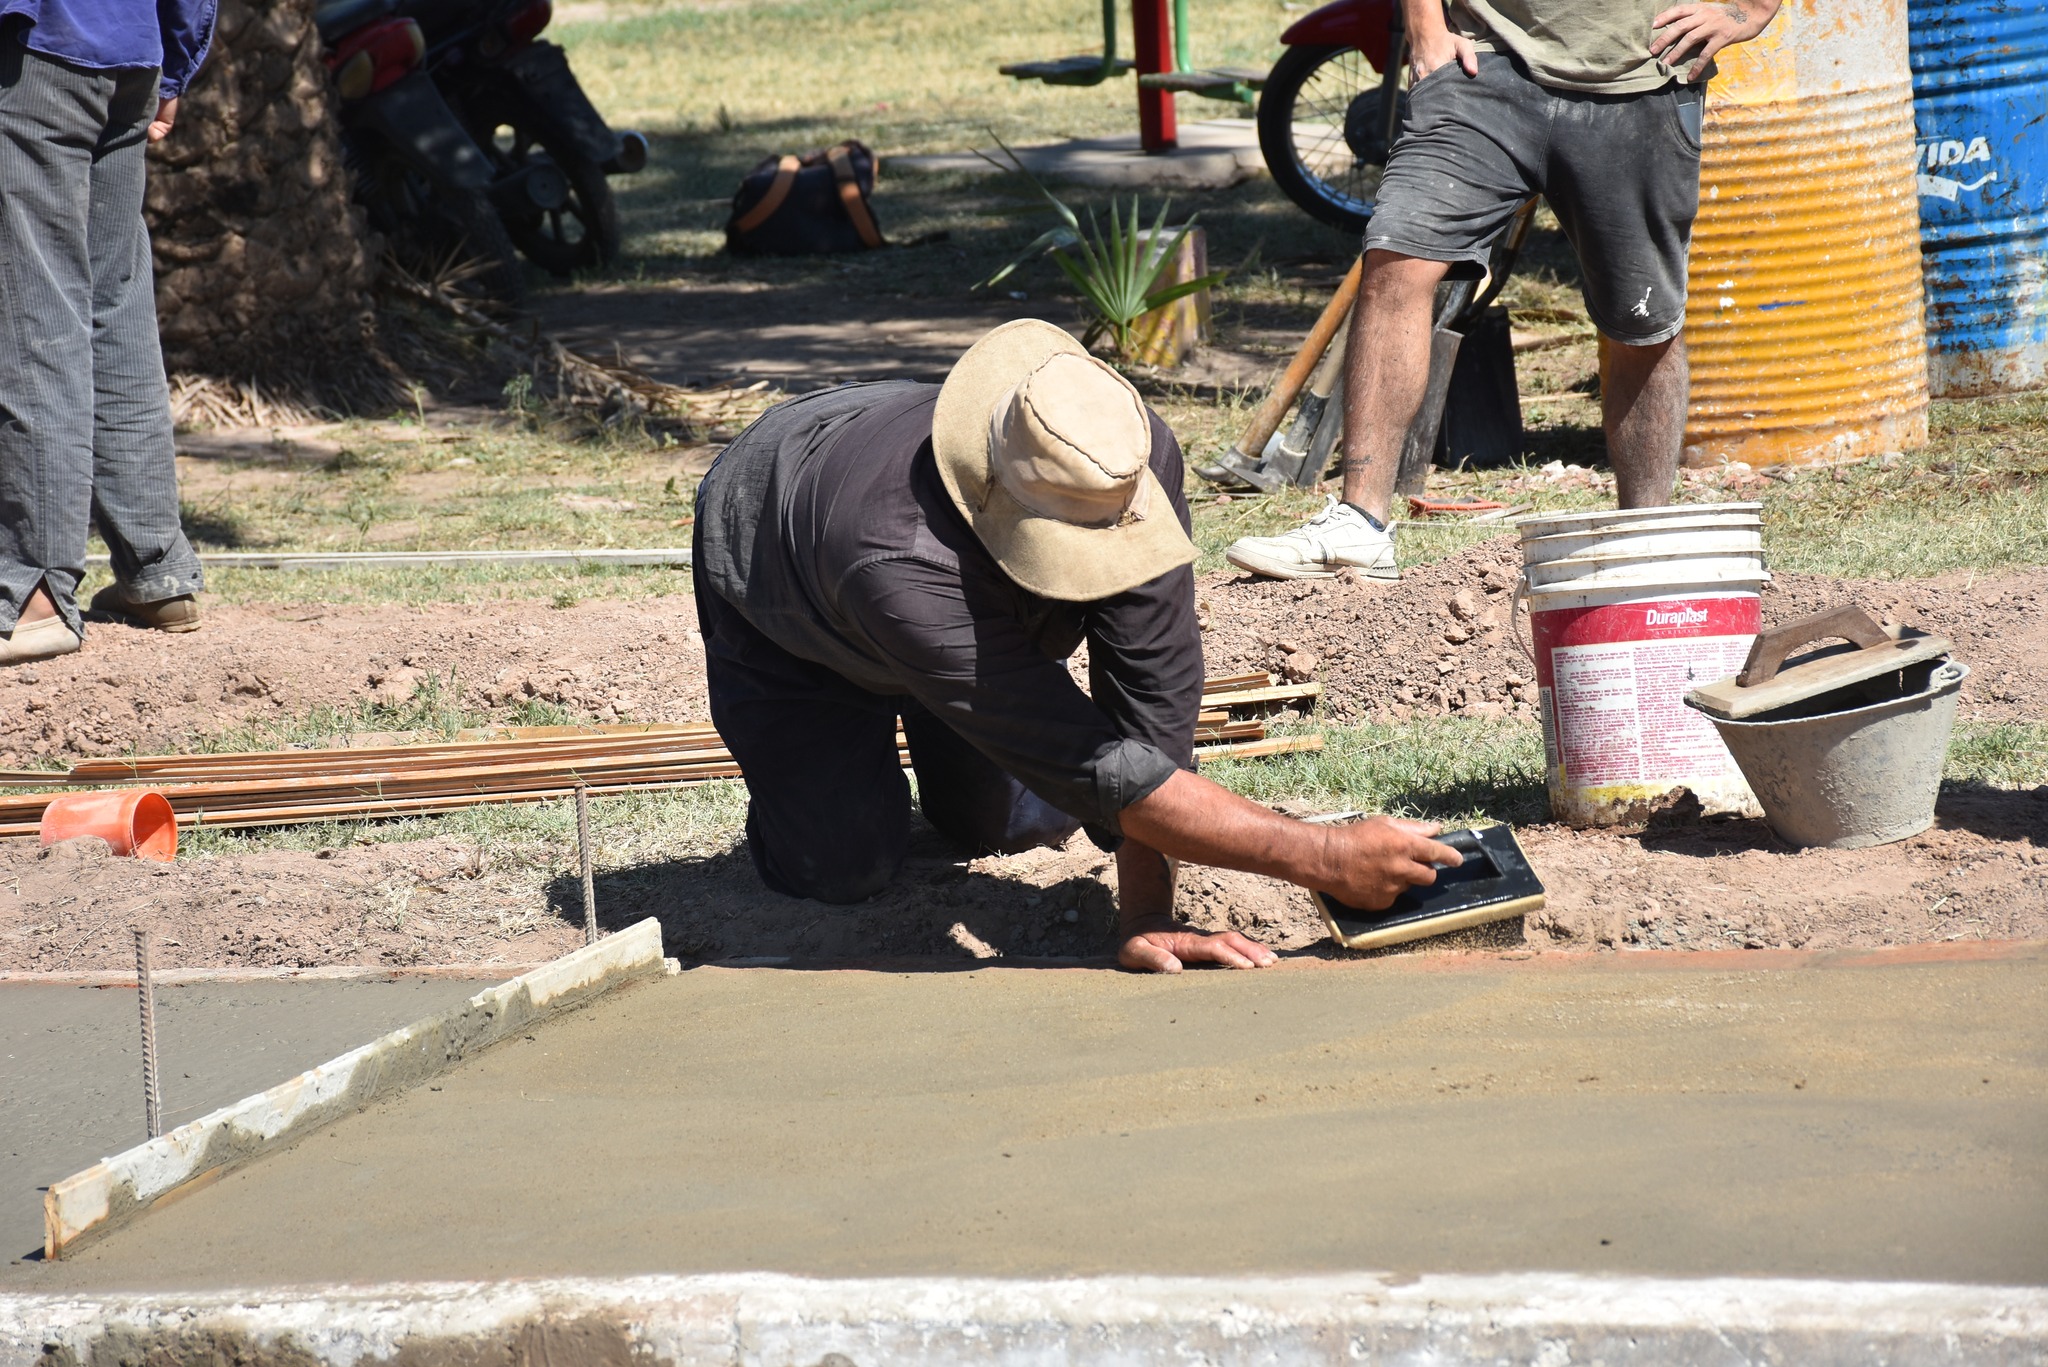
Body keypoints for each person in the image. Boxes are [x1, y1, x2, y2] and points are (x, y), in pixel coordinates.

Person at [694, 319, 1461, 973]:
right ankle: (816, 779)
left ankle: (946, 712)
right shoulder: (892, 554)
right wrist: (1322, 859)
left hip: (936, 597)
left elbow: (1152, 698)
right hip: (783, 582)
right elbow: (1092, 763)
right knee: (846, 864)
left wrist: (1145, 912)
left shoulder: (1117, 457)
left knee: (1018, 825)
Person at [1225, 0, 1781, 581]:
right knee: (1397, 258)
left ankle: (1642, 539)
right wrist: (1425, 29)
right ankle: (1359, 523)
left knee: (1640, 322)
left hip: (1642, 76)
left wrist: (1751, 9)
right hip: (1480, 66)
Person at [0, 0, 213, 665]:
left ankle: (33, 587)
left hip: (33, 51)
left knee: (35, 305)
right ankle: (158, 569)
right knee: (112, 307)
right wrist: (173, 65)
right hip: (132, 53)